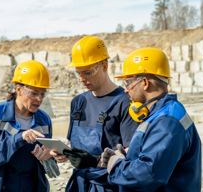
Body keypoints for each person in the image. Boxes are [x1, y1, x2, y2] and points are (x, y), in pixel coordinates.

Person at [101, 47, 202, 191]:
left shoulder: (167, 122)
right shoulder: (162, 114)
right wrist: (128, 158)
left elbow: (148, 175)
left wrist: (117, 166)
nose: (126, 89)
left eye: (127, 82)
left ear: (144, 82)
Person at [51, 36, 140, 192]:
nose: (81, 79)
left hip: (109, 185)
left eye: (87, 72)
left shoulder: (125, 102)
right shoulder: (78, 102)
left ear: (104, 66)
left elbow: (131, 153)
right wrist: (65, 152)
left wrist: (95, 161)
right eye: (77, 73)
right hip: (79, 184)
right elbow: (73, 143)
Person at [0, 60, 58, 192]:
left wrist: (51, 156)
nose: (39, 99)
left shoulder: (44, 120)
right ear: (18, 89)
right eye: (34, 93)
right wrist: (19, 138)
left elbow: (47, 156)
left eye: (42, 94)